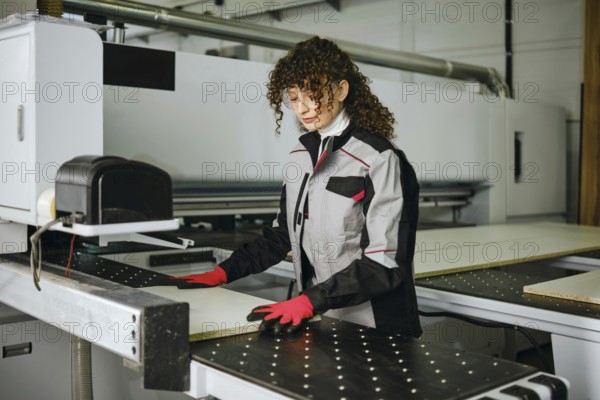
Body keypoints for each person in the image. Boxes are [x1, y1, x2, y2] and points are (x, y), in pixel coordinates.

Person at [175, 36, 422, 338]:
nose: (302, 107)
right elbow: (281, 237)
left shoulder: (379, 158)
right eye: (294, 98)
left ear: (341, 90)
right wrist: (225, 271)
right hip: (322, 317)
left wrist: (309, 301)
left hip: (378, 325)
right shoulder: (300, 156)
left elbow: (384, 262)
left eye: (312, 94)